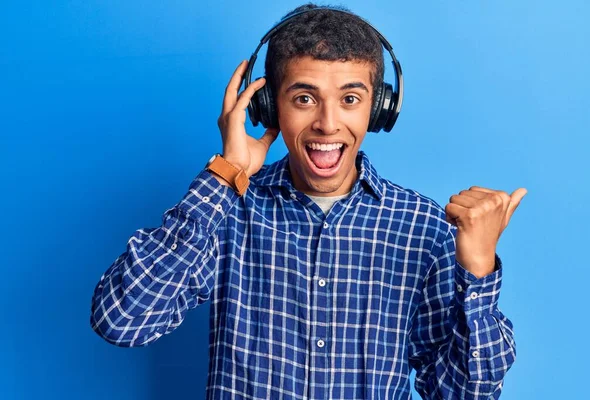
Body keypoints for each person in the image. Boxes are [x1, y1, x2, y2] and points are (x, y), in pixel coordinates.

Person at [90, 3, 526, 399]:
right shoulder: (228, 211)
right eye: (304, 98)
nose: (327, 123)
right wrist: (225, 172)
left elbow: (463, 396)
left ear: (378, 110)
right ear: (267, 106)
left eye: (350, 99)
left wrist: (479, 272)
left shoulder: (424, 228)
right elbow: (123, 320)